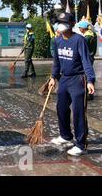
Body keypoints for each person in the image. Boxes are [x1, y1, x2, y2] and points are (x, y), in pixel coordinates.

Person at [49, 13, 95, 156]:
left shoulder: (79, 40)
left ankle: (81, 144)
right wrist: (53, 77)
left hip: (78, 79)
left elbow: (86, 61)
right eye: (59, 22)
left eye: (63, 22)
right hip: (64, 79)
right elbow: (56, 62)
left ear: (71, 24)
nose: (60, 25)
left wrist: (90, 80)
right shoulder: (58, 41)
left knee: (78, 112)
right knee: (61, 108)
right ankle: (65, 136)